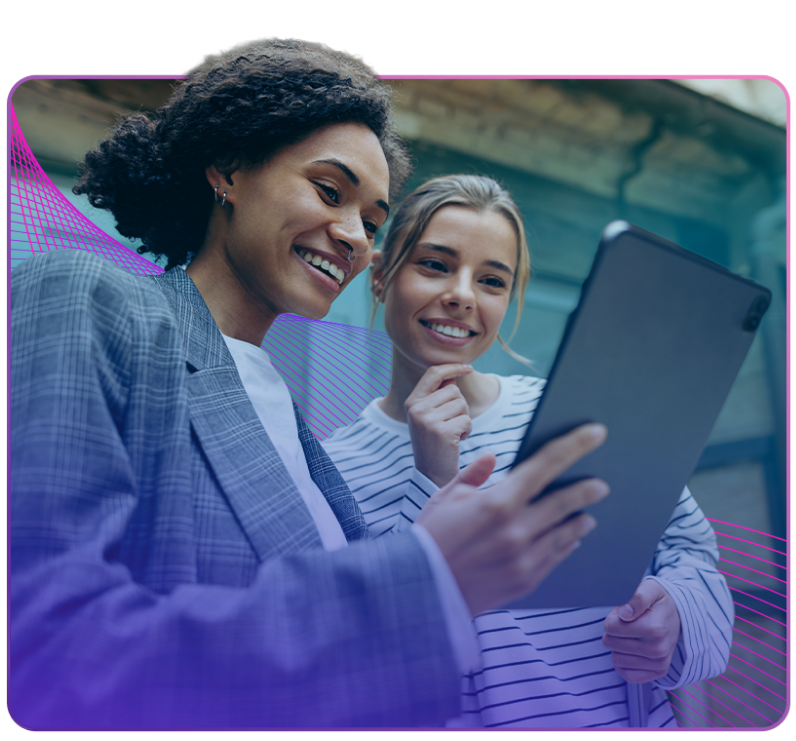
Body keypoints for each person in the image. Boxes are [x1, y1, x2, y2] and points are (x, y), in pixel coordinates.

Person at [9, 41, 611, 729]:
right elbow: (43, 650)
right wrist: (426, 577)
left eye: (373, 220)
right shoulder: (86, 297)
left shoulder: (296, 429)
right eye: (330, 191)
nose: (354, 235)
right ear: (227, 168)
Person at [322, 174, 734, 728]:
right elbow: (361, 659)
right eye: (435, 265)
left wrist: (677, 611)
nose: (463, 295)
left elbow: (690, 552)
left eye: (492, 280)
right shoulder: (331, 469)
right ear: (379, 278)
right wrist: (431, 481)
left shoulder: (577, 417)